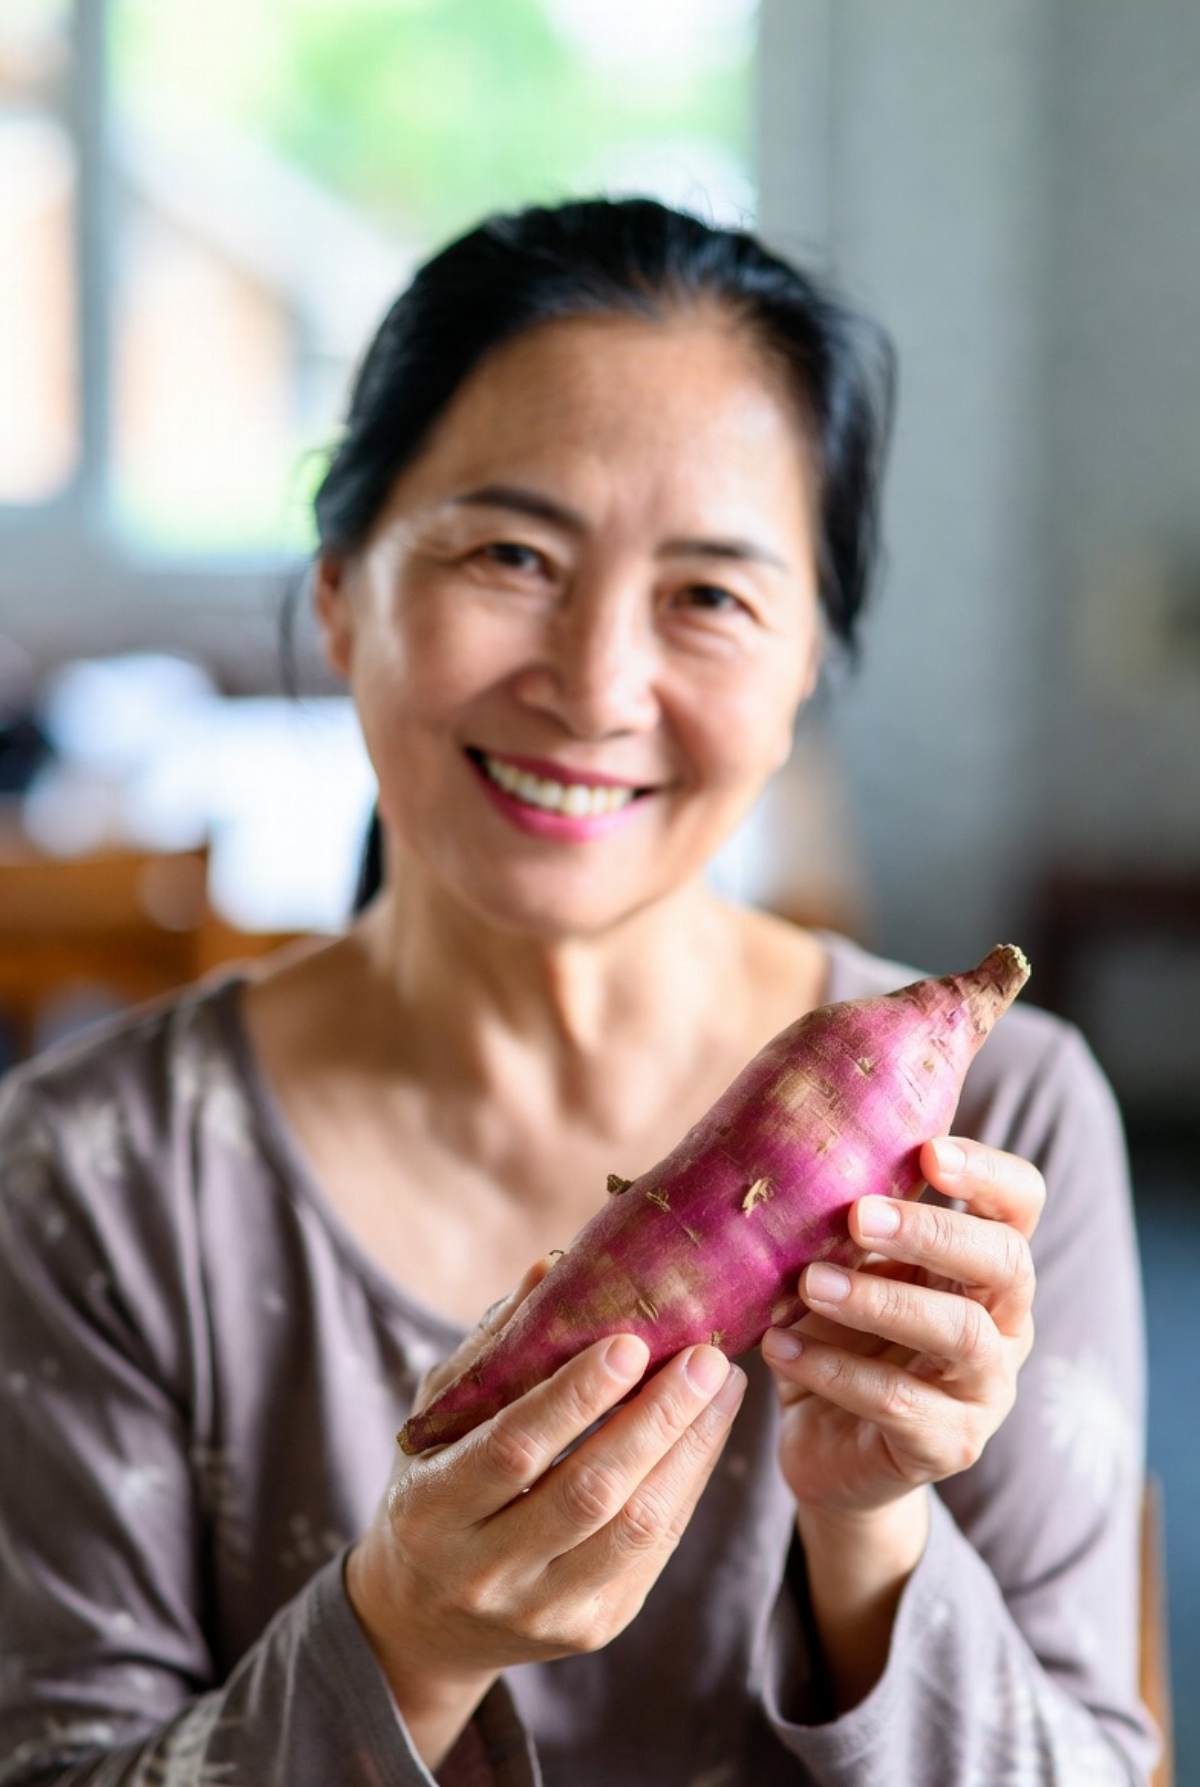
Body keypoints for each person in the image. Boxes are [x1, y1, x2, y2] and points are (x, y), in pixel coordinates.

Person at [0, 197, 1158, 1786]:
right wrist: (402, 1641)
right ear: (341, 593)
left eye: (712, 594)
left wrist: (873, 1530)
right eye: (511, 555)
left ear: (809, 654)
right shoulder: (93, 1172)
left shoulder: (1006, 1131)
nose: (598, 683)